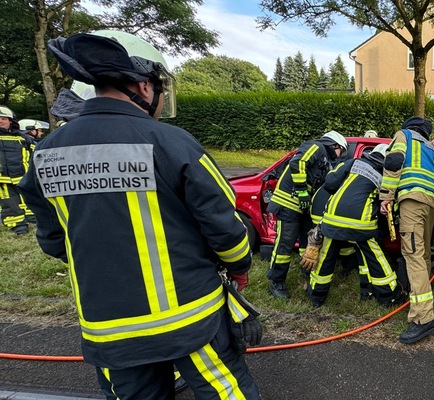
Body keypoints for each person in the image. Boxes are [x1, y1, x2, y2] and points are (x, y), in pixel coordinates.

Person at [18, 31, 260, 398]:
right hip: (190, 317)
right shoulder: (171, 142)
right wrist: (239, 266)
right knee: (225, 391)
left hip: (109, 327)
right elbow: (224, 226)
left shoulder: (46, 153)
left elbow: (54, 240)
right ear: (145, 87)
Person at [308, 144, 405, 307]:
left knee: (326, 257)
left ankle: (316, 297)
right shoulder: (388, 175)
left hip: (332, 218)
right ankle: (389, 296)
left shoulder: (353, 162)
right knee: (376, 257)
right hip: (360, 223)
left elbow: (330, 183)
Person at [379, 117, 434, 344]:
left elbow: (394, 162)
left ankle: (422, 319)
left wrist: (386, 196)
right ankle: (421, 303)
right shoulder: (433, 152)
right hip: (429, 204)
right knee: (424, 255)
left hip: (411, 202)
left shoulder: (404, 136)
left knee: (413, 255)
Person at [266, 130, 348, 298]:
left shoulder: (326, 161)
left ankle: (306, 272)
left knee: (306, 242)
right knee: (284, 245)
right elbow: (298, 162)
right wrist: (302, 191)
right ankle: (276, 281)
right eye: (341, 151)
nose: (340, 156)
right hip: (288, 203)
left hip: (304, 207)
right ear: (335, 145)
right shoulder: (316, 147)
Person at [0, 105, 34, 235]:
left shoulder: (22, 138)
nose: (0, 121)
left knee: (28, 199)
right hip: (2, 179)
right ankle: (18, 226)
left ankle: (32, 219)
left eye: (4, 118)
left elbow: (34, 154)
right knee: (10, 203)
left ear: (10, 121)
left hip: (22, 176)